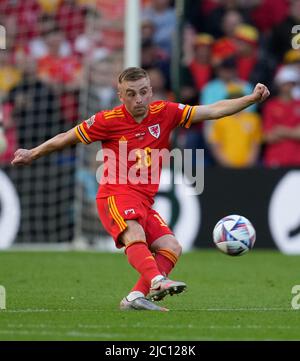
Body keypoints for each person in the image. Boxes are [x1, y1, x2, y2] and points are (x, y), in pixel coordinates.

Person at [11, 67, 270, 311]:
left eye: (144, 91)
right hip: (116, 193)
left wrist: (250, 98)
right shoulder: (107, 120)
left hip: (144, 199)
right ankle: (157, 281)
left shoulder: (165, 112)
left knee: (171, 246)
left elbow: (213, 110)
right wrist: (33, 153)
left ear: (151, 90)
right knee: (133, 231)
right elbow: (66, 138)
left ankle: (134, 297)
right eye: (131, 93)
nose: (139, 99)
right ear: (120, 95)